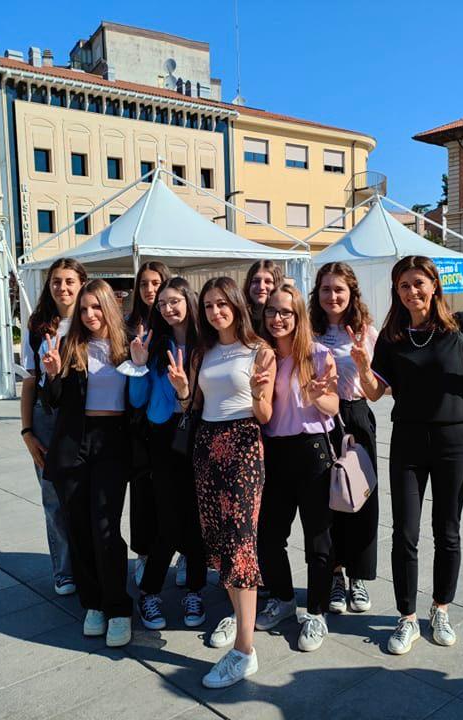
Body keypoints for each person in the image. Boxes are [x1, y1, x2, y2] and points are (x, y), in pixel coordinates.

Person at [353, 255, 463, 656]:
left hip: (457, 439)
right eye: (404, 286)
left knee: (447, 529)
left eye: (418, 283)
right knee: (404, 532)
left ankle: (440, 608)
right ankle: (406, 617)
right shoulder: (393, 335)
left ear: (434, 285)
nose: (411, 292)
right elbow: (374, 391)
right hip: (407, 440)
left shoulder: (461, 327)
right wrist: (362, 367)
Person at [190, 276, 275, 688]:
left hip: (243, 443)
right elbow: (195, 402)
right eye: (208, 306)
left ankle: (244, 650)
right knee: (221, 542)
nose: (215, 311)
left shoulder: (260, 351)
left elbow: (265, 415)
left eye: (222, 303)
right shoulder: (204, 350)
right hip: (206, 444)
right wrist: (181, 392)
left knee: (242, 542)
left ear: (237, 305)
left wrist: (260, 395)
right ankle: (240, 623)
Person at [40, 279, 134, 648]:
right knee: (78, 526)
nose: (90, 315)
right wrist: (52, 373)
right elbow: (53, 401)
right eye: (84, 309)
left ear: (109, 307)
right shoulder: (69, 345)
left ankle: (119, 608)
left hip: (112, 441)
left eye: (96, 307)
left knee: (106, 528)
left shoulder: (128, 347)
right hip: (73, 442)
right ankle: (93, 602)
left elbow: (138, 398)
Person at [255, 283, 339, 653]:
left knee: (318, 538)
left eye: (285, 312)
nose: (277, 318)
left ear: (299, 316)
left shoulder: (319, 354)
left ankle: (316, 612)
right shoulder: (262, 356)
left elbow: (334, 407)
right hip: (274, 450)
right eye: (272, 311)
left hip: (311, 450)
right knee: (270, 536)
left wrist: (319, 393)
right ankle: (285, 598)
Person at [128, 277, 208, 631]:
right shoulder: (154, 345)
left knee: (196, 518)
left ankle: (194, 589)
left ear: (188, 301)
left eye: (174, 300)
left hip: (201, 435)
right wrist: (140, 365)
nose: (168, 308)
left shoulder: (207, 345)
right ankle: (150, 592)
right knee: (168, 519)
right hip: (163, 437)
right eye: (162, 304)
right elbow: (136, 400)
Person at [309, 262, 380, 614]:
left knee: (361, 498)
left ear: (351, 293)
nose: (332, 296)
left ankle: (359, 578)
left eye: (339, 289)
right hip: (320, 420)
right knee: (328, 501)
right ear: (316, 293)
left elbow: (379, 390)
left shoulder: (366, 331)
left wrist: (364, 365)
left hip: (355, 415)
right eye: (325, 289)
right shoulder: (309, 331)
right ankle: (335, 576)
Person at [20, 258, 87, 598]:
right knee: (53, 498)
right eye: (57, 281)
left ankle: (89, 564)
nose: (63, 287)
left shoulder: (93, 319)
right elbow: (30, 382)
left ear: (82, 283)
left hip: (85, 418)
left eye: (70, 281)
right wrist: (27, 432)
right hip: (47, 417)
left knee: (87, 496)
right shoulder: (37, 327)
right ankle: (64, 569)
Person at [125, 261, 171, 586]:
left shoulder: (176, 322)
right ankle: (142, 555)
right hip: (140, 423)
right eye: (144, 284)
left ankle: (183, 553)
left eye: (156, 283)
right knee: (142, 493)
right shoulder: (130, 326)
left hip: (174, 422)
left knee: (177, 494)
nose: (150, 289)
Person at [244, 260, 285, 336]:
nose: (261, 287)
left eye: (268, 281)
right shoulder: (239, 318)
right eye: (256, 281)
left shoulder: (284, 318)